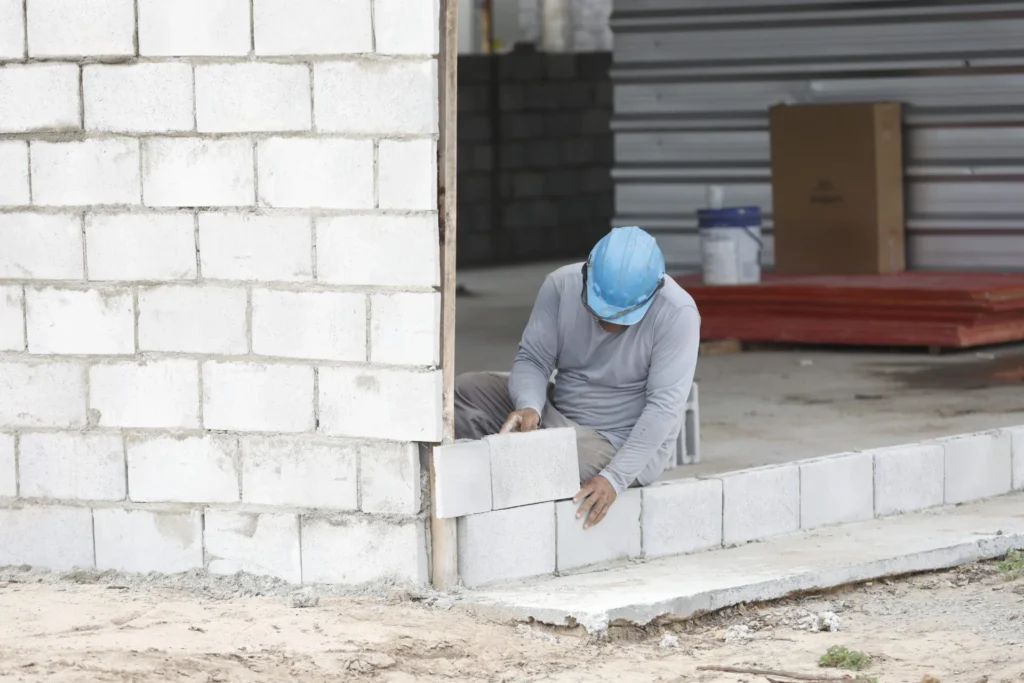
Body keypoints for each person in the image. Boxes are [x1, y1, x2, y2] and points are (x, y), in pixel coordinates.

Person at [454, 226, 701, 529]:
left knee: (548, 459)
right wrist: (530, 405)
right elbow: (533, 358)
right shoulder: (561, 285)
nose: (608, 324)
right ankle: (490, 464)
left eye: (620, 317)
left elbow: (663, 408)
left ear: (653, 293)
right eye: (600, 313)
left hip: (619, 443)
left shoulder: (678, 314)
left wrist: (614, 478)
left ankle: (497, 472)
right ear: (587, 274)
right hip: (560, 413)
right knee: (465, 391)